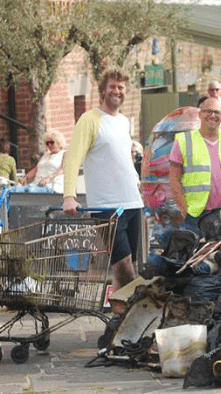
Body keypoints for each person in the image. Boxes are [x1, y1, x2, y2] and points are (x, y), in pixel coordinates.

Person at [63, 68, 145, 292]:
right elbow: (72, 159)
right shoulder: (90, 120)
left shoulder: (124, 122)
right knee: (124, 264)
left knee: (125, 266)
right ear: (102, 91)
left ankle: (118, 319)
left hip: (132, 202)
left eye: (121, 87)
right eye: (112, 87)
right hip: (107, 207)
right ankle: (130, 315)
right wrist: (69, 195)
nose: (117, 91)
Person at [168, 98, 221, 236]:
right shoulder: (184, 140)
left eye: (217, 112)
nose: (213, 115)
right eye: (208, 111)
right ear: (199, 114)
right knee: (197, 255)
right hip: (195, 216)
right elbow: (174, 179)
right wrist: (183, 209)